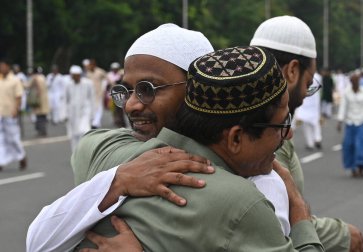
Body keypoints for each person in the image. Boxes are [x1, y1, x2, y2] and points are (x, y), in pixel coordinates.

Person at [27, 24, 291, 251]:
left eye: (147, 89)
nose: (131, 105)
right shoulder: (111, 153)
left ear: (195, 90)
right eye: (127, 90)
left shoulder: (100, 150)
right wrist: (118, 181)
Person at [76, 45, 323, 251]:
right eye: (282, 124)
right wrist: (301, 217)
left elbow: (90, 143)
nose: (289, 134)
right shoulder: (245, 203)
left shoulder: (112, 155)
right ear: (235, 139)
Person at [250, 15, 363, 252]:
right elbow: (275, 221)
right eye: (309, 83)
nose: (305, 94)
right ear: (293, 71)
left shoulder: (232, 114)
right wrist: (343, 235)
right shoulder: (263, 134)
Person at [337, 72, 363, 178]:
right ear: (351, 82)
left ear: (359, 81)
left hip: (362, 122)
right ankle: (352, 168)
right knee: (349, 145)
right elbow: (343, 107)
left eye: (357, 80)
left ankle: (361, 167)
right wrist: (340, 121)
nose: (355, 82)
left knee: (362, 145)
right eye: (353, 80)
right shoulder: (347, 92)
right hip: (350, 122)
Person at [0, 59, 27, 171]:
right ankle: (1, 161)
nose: (1, 69)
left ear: (8, 67)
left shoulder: (15, 80)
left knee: (13, 138)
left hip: (10, 113)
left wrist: (16, 109)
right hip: (0, 113)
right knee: (0, 139)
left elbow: (18, 96)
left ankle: (22, 156)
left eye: (3, 66)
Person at [64, 65, 95, 151]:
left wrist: (92, 114)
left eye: (76, 75)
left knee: (84, 132)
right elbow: (65, 100)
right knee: (74, 135)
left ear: (79, 75)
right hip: (73, 112)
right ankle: (75, 154)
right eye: (73, 75)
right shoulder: (68, 85)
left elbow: (92, 98)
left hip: (85, 111)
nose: (74, 77)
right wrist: (64, 114)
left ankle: (85, 152)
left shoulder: (88, 83)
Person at [295, 71, 322, 150]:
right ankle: (317, 138)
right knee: (316, 123)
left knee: (306, 124)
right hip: (314, 101)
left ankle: (310, 144)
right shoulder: (318, 76)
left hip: (305, 100)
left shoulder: (302, 74)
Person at [85, 59, 107, 129]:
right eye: (89, 65)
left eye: (91, 65)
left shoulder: (100, 71)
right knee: (92, 108)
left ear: (94, 65)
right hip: (90, 94)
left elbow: (107, 78)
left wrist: (105, 87)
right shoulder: (87, 73)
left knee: (99, 108)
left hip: (99, 93)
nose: (90, 66)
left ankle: (95, 123)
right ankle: (95, 122)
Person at [28, 67, 50, 137]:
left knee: (39, 116)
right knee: (43, 116)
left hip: (38, 99)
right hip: (45, 99)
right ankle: (44, 130)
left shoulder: (35, 78)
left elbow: (28, 86)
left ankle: (41, 131)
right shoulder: (43, 77)